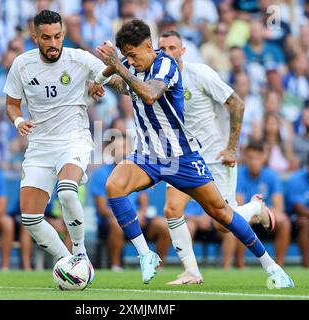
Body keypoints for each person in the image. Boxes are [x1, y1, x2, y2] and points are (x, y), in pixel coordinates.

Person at [92, 19, 294, 287]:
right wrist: (100, 79)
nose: (131, 60)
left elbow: (150, 94)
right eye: (126, 56)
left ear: (149, 47)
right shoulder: (131, 65)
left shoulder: (167, 65)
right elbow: (120, 78)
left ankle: (273, 268)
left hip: (182, 158)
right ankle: (146, 255)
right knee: (115, 185)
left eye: (133, 54)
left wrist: (118, 66)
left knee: (222, 214)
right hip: (149, 156)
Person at [157, 30, 275, 285]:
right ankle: (191, 272)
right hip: (181, 157)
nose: (167, 53)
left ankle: (255, 208)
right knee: (172, 209)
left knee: (223, 224)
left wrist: (232, 147)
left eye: (172, 48)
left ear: (182, 51)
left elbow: (237, 104)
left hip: (213, 157)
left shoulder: (200, 74)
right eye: (162, 49)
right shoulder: (156, 80)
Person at [3, 10, 109, 282]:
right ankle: (68, 262)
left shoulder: (79, 58)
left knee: (67, 192)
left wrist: (103, 79)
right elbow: (12, 104)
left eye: (58, 36)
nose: (53, 43)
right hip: (40, 145)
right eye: (47, 37)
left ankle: (81, 253)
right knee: (30, 218)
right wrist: (18, 122)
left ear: (64, 34)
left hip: (73, 139)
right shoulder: (22, 65)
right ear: (35, 37)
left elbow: (111, 78)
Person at [90, 135, 171, 271]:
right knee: (116, 224)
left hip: (139, 219)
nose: (122, 151)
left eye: (125, 147)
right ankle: (116, 267)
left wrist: (139, 214)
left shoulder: (138, 171)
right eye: (118, 147)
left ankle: (158, 266)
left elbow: (144, 202)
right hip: (112, 221)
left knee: (163, 225)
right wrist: (127, 217)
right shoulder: (100, 174)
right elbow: (102, 209)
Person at [234, 142, 292, 268]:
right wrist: (256, 214)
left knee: (285, 222)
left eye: (257, 158)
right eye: (250, 158)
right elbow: (239, 205)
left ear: (263, 158)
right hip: (250, 217)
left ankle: (279, 265)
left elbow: (279, 207)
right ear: (245, 157)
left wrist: (262, 214)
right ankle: (240, 265)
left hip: (266, 216)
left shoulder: (271, 175)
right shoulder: (238, 174)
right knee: (240, 221)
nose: (254, 161)